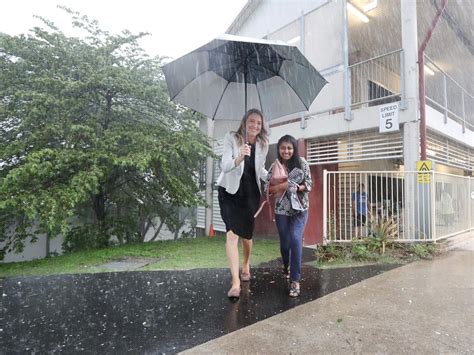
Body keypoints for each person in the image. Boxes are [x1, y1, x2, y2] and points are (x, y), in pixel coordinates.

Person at [217, 108, 269, 299]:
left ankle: (246, 263)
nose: (255, 125)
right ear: (244, 122)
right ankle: (235, 282)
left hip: (250, 194)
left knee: (247, 235)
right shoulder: (232, 138)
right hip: (230, 192)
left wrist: (271, 177)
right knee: (232, 235)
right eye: (252, 121)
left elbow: (260, 169)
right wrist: (239, 157)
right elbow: (224, 166)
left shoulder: (263, 144)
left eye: (259, 123)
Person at [265, 135, 312, 297]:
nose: (286, 151)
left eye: (289, 148)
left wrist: (296, 187)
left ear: (294, 149)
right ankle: (286, 265)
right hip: (281, 211)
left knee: (295, 238)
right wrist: (282, 185)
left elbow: (309, 185)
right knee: (285, 243)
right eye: (283, 148)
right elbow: (267, 189)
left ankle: (295, 280)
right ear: (279, 149)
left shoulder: (302, 163)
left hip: (300, 210)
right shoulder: (275, 165)